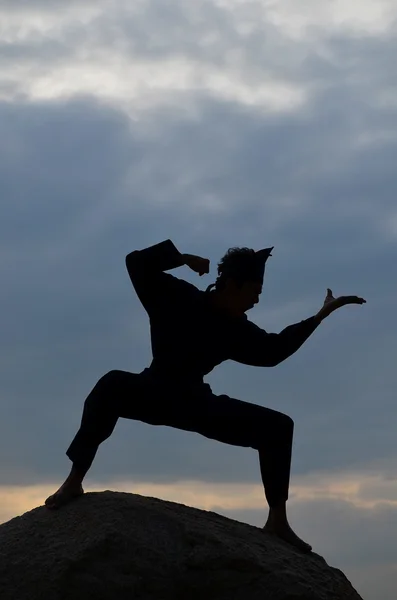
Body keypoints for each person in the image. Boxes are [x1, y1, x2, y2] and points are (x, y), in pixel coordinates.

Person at [45, 239, 366, 553]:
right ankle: (74, 480)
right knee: (110, 386)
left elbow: (273, 351)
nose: (255, 302)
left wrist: (318, 317)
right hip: (153, 390)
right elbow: (137, 263)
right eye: (254, 293)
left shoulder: (235, 328)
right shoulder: (176, 296)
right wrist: (182, 258)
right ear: (232, 285)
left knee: (278, 427)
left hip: (193, 402)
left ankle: (278, 521)